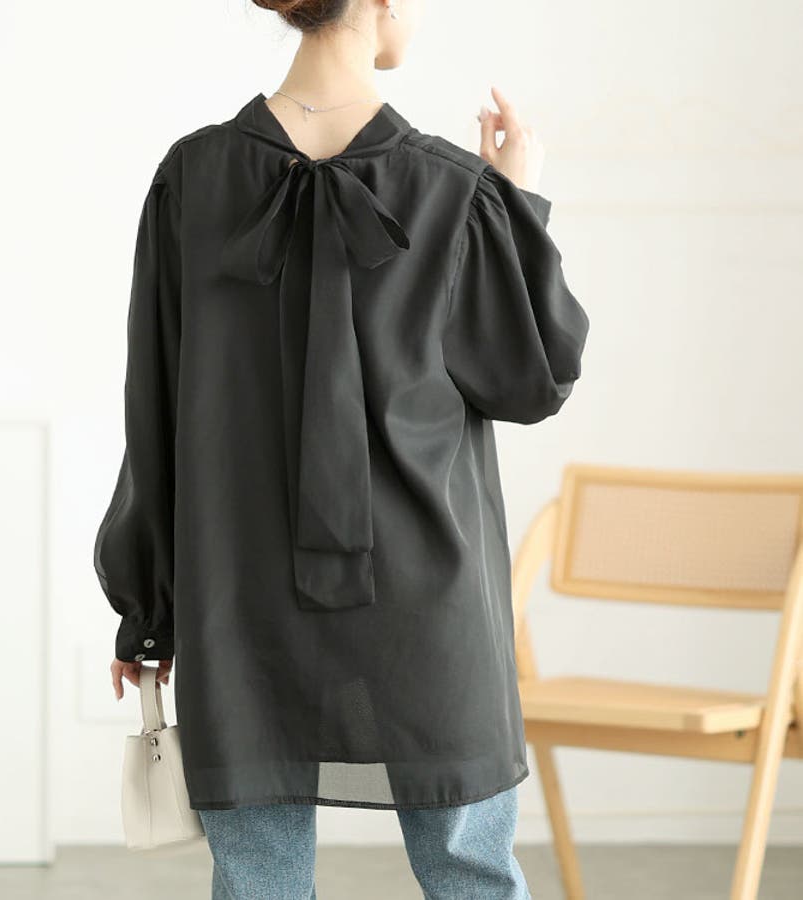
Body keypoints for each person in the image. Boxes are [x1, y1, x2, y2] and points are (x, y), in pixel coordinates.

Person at [95, 0, 590, 896]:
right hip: (429, 598)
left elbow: (154, 409)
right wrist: (514, 200)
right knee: (472, 872)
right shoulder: (453, 188)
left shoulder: (192, 178)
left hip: (237, 599)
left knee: (258, 880)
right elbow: (531, 380)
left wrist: (148, 603)